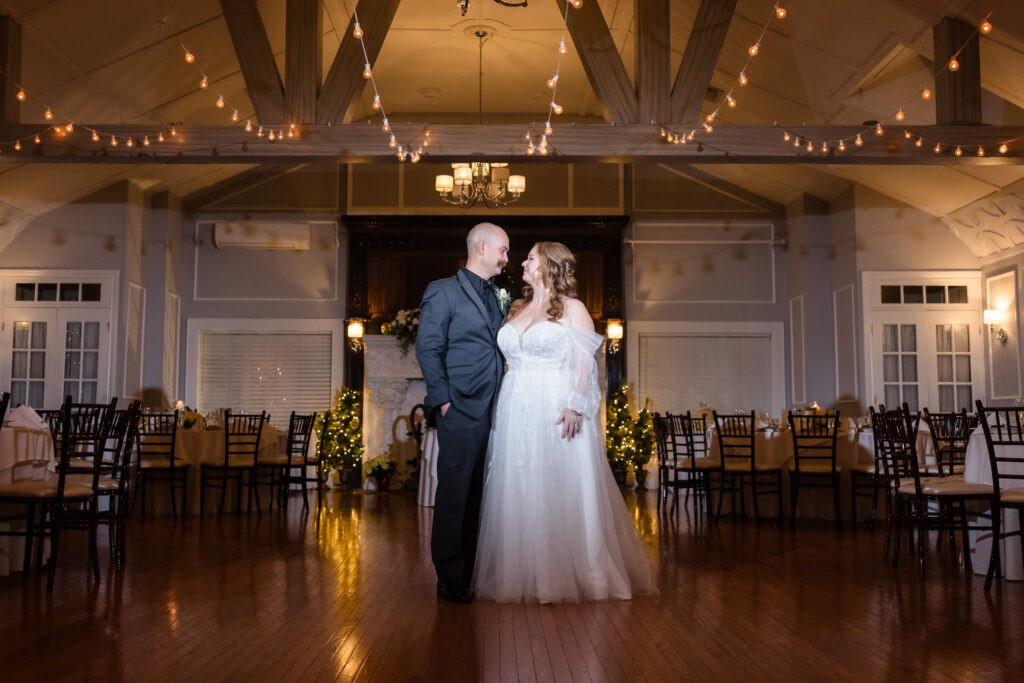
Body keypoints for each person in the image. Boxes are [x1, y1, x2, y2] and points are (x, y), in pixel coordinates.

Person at [472, 242, 656, 603]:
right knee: (520, 482)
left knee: (559, 482)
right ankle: (523, 573)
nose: (522, 262)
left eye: (529, 258)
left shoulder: (573, 308)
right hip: (515, 404)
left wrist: (575, 405)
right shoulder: (517, 307)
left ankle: (577, 572)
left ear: (548, 266)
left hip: (556, 404)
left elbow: (585, 362)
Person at [415, 222, 509, 603]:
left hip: (498, 408)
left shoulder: (501, 294)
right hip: (460, 406)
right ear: (481, 248)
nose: (506, 258)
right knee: (455, 492)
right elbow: (428, 349)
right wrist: (443, 401)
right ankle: (450, 576)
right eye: (503, 250)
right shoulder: (442, 291)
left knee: (482, 494)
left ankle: (472, 570)